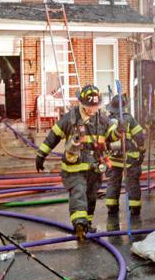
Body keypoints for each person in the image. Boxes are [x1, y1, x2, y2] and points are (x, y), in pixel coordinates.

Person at [36, 85, 110, 241]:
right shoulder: (70, 119)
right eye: (89, 106)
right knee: (79, 193)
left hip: (94, 169)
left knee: (91, 197)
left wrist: (119, 130)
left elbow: (113, 135)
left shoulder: (102, 119)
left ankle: (87, 224)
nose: (91, 110)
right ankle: (79, 225)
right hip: (74, 169)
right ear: (81, 104)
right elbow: (53, 136)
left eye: (95, 106)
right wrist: (41, 154)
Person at [103, 94, 144, 222]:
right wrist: (142, 150)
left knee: (113, 182)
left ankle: (112, 207)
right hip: (129, 158)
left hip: (114, 158)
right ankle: (134, 209)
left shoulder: (108, 120)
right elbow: (140, 137)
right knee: (132, 183)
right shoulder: (129, 119)